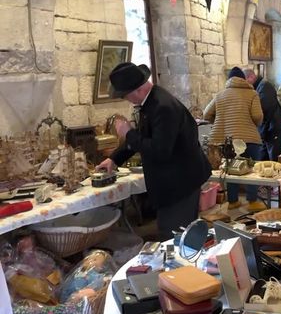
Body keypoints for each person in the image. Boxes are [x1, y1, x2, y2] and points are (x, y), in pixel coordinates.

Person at [96, 62, 212, 240]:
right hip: (175, 182)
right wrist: (114, 159)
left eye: (126, 96)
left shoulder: (162, 107)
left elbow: (160, 150)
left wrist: (128, 133)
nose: (127, 100)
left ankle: (183, 267)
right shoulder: (151, 102)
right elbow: (145, 137)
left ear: (137, 90)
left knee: (175, 237)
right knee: (175, 233)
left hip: (179, 184)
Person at [204, 67, 265, 212]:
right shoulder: (252, 94)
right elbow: (257, 116)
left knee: (231, 169)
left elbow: (206, 114)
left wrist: (218, 121)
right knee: (252, 170)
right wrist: (254, 124)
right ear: (243, 79)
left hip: (228, 141)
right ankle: (252, 201)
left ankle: (232, 201)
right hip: (249, 138)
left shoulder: (220, 95)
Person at [243, 68, 281, 161]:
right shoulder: (259, 86)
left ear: (251, 77)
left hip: (274, 128)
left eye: (245, 80)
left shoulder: (264, 86)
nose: (245, 83)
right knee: (264, 158)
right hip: (269, 129)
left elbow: (265, 109)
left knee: (274, 158)